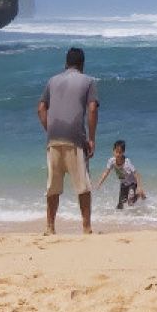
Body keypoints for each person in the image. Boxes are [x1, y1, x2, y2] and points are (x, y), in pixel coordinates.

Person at [37, 47, 99, 235]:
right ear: (82, 64)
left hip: (53, 139)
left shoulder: (52, 81)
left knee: (53, 187)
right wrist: (91, 139)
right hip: (75, 138)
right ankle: (86, 227)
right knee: (83, 186)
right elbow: (93, 109)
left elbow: (41, 108)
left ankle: (50, 227)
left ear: (66, 63)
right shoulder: (88, 81)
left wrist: (50, 129)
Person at [96, 140, 146, 209]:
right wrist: (99, 183)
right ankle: (119, 218)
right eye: (116, 152)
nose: (118, 154)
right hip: (123, 184)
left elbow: (136, 174)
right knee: (120, 206)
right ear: (113, 151)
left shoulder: (127, 162)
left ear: (123, 152)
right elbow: (106, 173)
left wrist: (139, 187)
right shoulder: (111, 161)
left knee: (130, 202)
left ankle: (138, 195)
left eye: (120, 152)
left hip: (132, 183)